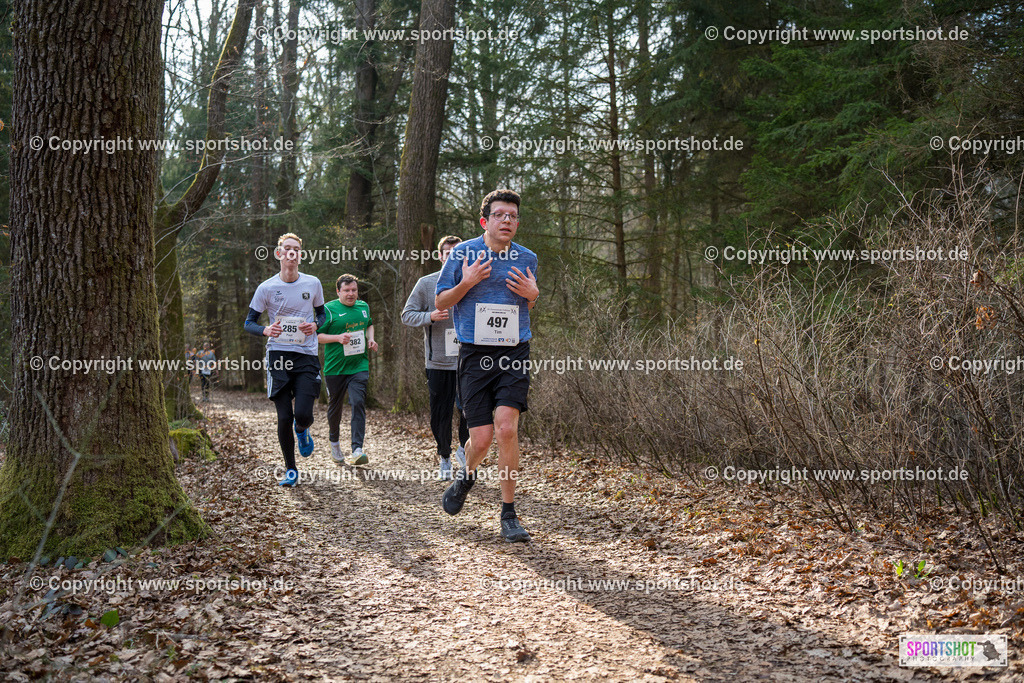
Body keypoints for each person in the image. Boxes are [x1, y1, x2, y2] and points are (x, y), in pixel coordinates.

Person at [436, 189, 538, 543]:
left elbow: (529, 302)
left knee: (507, 429)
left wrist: (533, 295)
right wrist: (467, 282)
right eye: (499, 215)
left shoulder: (527, 257)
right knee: (480, 439)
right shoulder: (463, 253)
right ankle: (466, 475)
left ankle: (509, 513)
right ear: (485, 221)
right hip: (475, 354)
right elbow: (441, 301)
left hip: (514, 351)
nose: (507, 220)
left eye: (512, 216)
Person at [244, 233, 325, 487]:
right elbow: (249, 322)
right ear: (279, 254)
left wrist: (315, 325)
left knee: (303, 415)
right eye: (287, 248)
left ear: (300, 255)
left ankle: (302, 430)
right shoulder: (266, 288)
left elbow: (323, 315)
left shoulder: (313, 283)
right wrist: (266, 330)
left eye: (296, 249)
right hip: (278, 356)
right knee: (284, 417)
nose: (291, 252)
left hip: (306, 355)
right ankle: (291, 470)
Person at [402, 236, 469, 480]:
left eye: (457, 252)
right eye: (447, 252)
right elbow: (407, 315)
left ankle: (464, 450)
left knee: (470, 410)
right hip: (438, 361)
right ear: (440, 256)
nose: (452, 256)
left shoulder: (472, 281)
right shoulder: (427, 283)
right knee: (440, 414)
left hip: (468, 360)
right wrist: (429, 316)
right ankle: (444, 457)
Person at [317, 274, 377, 465]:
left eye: (354, 290)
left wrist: (371, 339)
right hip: (335, 368)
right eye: (346, 290)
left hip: (359, 365)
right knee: (335, 407)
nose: (351, 294)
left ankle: (357, 449)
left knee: (358, 402)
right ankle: (334, 443)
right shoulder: (328, 309)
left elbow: (369, 324)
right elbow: (317, 336)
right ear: (338, 291)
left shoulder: (363, 306)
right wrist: (337, 338)